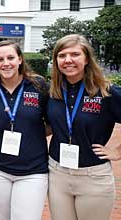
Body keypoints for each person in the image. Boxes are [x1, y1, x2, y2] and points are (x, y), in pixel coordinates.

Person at [48, 34, 121, 220]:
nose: (68, 60)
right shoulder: (52, 92)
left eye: (75, 54)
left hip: (93, 177)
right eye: (62, 55)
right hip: (57, 174)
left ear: (87, 58)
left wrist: (118, 150)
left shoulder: (106, 92)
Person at [0, 40, 49, 220]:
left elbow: (53, 121)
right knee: (0, 216)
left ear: (20, 59)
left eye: (10, 57)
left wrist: (31, 134)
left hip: (33, 170)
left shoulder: (39, 85)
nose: (6, 63)